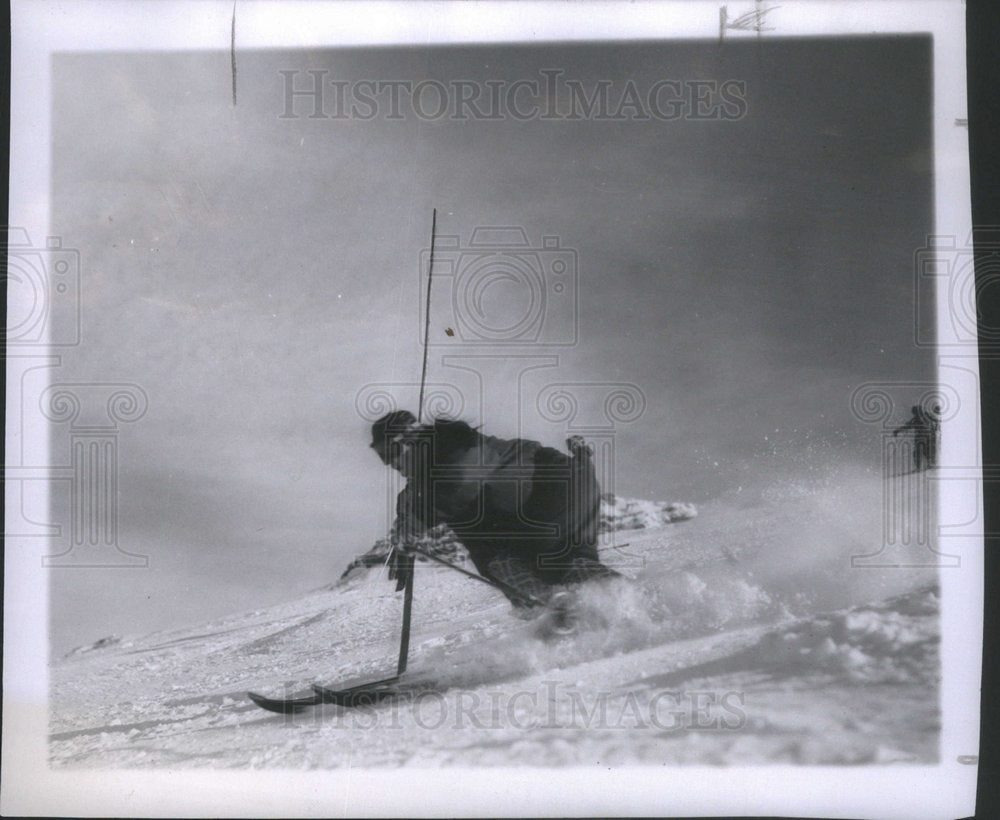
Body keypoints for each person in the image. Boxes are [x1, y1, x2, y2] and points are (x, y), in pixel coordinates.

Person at [370, 410, 618, 612]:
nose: (390, 463)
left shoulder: (453, 449)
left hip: (550, 494)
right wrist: (404, 526)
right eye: (382, 457)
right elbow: (421, 494)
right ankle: (626, 599)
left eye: (390, 452)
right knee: (569, 564)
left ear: (409, 440)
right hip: (572, 486)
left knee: (490, 552)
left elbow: (460, 481)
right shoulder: (446, 453)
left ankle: (550, 606)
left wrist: (413, 525)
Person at [892, 403, 941, 472]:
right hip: (929, 436)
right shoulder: (927, 416)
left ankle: (919, 467)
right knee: (927, 451)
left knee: (917, 452)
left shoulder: (916, 419)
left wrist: (897, 431)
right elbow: (936, 421)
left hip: (921, 437)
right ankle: (930, 464)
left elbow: (907, 426)